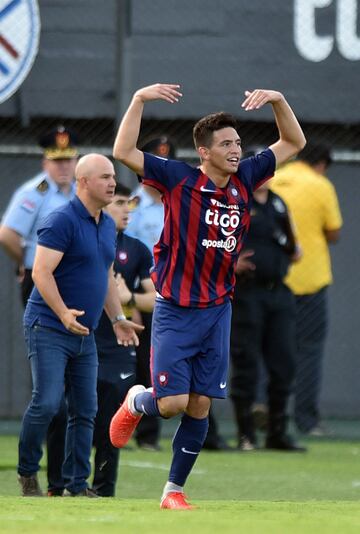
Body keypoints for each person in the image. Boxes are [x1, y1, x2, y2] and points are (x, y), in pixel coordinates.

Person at [109, 82, 306, 510]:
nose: (236, 150)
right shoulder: (178, 178)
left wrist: (278, 101)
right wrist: (139, 100)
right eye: (226, 144)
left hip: (218, 309)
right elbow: (123, 151)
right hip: (176, 309)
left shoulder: (246, 178)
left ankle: (173, 492)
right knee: (172, 404)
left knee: (200, 405)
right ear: (204, 151)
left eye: (237, 143)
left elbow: (294, 141)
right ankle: (137, 400)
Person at [17, 153, 143, 497]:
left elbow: (104, 275)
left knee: (86, 410)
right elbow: (40, 272)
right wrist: (62, 313)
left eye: (113, 176)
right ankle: (28, 472)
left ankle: (76, 485)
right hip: (49, 326)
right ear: (83, 182)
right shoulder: (61, 220)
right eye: (104, 177)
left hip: (84, 332)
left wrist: (118, 319)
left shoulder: (105, 224)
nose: (113, 183)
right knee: (47, 404)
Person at [128, 136, 232, 451]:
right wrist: (129, 299)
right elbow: (126, 254)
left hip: (197, 295)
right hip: (151, 291)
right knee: (153, 371)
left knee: (201, 378)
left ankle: (206, 437)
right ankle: (145, 432)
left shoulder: (192, 197)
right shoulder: (131, 208)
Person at [0, 125, 78, 496]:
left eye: (69, 161)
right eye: (57, 161)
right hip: (42, 283)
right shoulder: (35, 193)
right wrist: (26, 265)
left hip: (78, 285)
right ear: (45, 161)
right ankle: (35, 471)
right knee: (49, 388)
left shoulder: (83, 192)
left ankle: (65, 478)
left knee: (75, 388)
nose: (64, 168)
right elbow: (8, 234)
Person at [271, 144, 342, 435]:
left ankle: (263, 407)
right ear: (322, 163)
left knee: (268, 348)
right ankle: (306, 419)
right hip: (311, 280)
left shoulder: (274, 179)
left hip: (276, 279)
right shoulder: (321, 184)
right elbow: (333, 231)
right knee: (309, 350)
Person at [230, 178, 306, 452]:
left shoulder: (277, 202)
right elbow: (215, 238)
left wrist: (295, 249)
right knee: (246, 362)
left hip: (278, 292)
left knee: (284, 364)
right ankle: (245, 433)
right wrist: (231, 262)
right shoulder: (236, 201)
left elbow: (293, 242)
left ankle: (277, 432)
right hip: (247, 292)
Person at [92, 182, 156, 496]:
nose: (126, 209)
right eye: (119, 202)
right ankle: (64, 483)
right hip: (87, 338)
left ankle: (103, 490)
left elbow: (154, 300)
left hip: (120, 344)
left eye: (129, 202)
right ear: (102, 206)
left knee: (112, 417)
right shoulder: (86, 241)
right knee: (69, 414)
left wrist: (127, 295)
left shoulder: (137, 250)